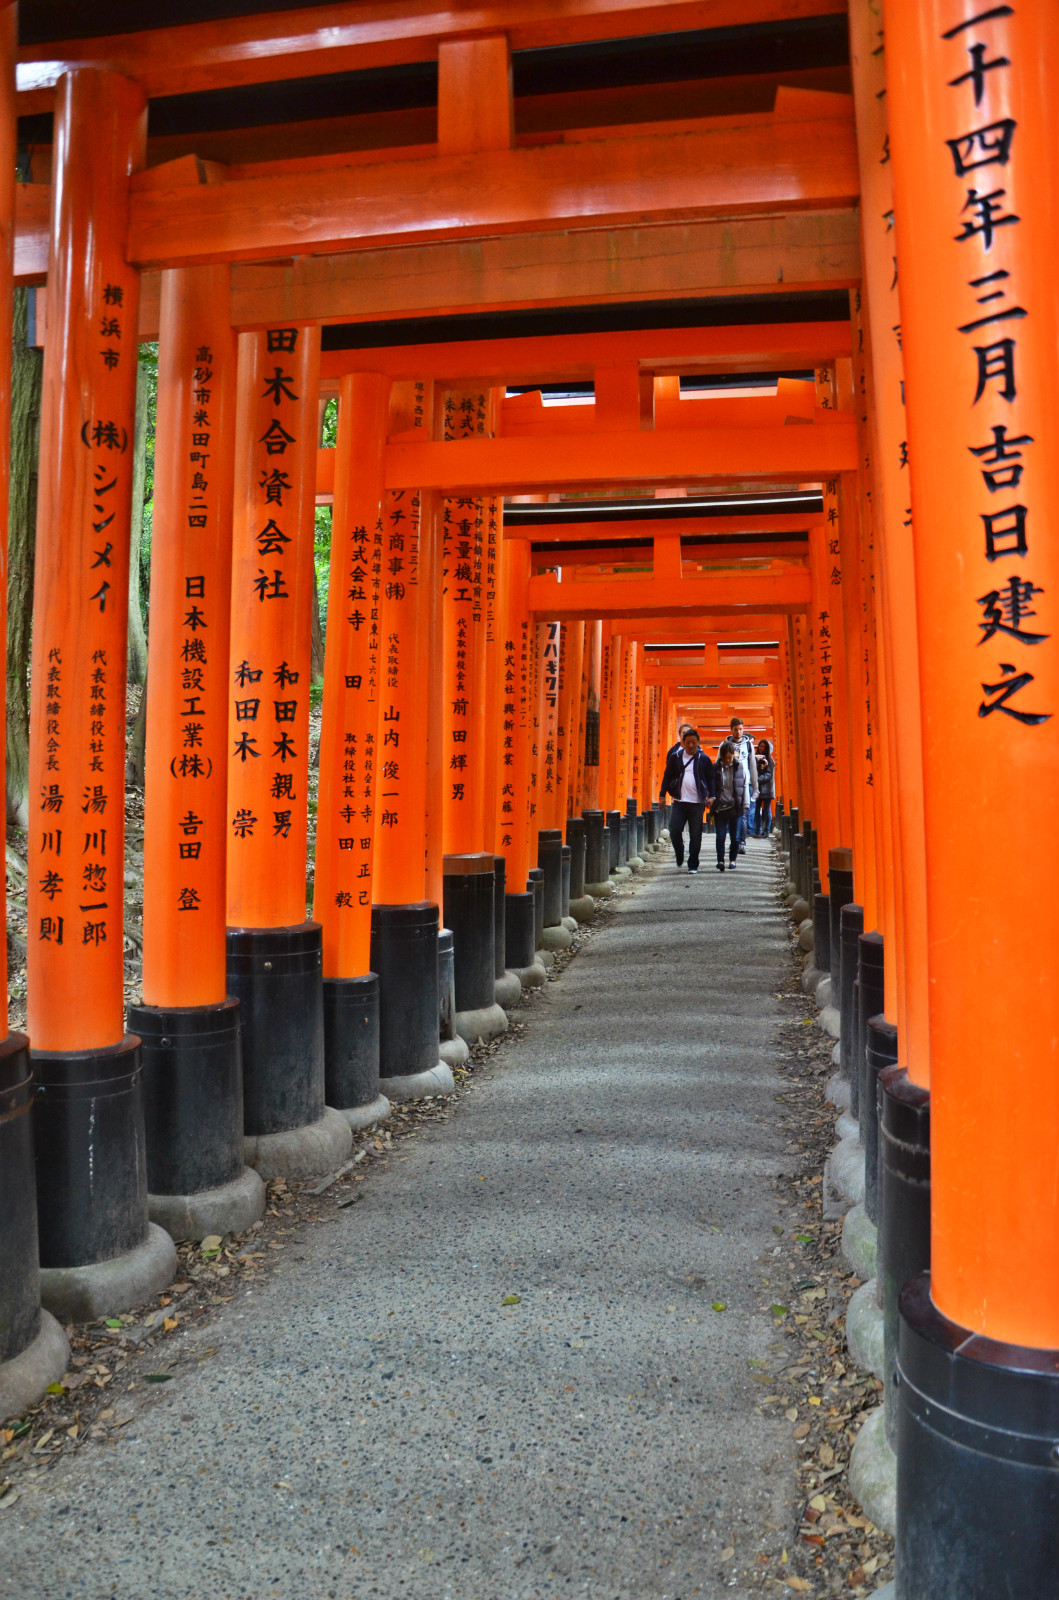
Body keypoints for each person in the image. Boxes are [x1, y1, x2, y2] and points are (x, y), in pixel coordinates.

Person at [659, 726, 715, 874]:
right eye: (688, 742)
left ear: (698, 743)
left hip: (697, 803)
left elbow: (711, 779)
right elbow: (667, 776)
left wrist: (712, 796)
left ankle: (693, 864)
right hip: (679, 801)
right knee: (674, 830)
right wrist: (662, 795)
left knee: (696, 835)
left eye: (694, 742)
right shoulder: (675, 757)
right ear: (683, 742)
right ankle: (679, 851)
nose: (691, 745)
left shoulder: (704, 759)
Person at [718, 717, 758, 851]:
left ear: (743, 729)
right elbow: (718, 764)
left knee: (743, 813)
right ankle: (734, 841)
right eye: (735, 729)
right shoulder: (724, 745)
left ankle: (741, 842)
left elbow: (752, 765)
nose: (738, 732)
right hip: (728, 784)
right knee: (730, 813)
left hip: (744, 783)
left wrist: (755, 786)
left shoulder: (748, 745)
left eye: (740, 729)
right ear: (731, 730)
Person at [712, 739, 750, 871]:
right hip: (720, 806)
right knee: (720, 835)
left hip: (735, 806)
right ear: (721, 756)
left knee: (735, 837)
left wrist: (746, 803)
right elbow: (712, 786)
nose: (728, 760)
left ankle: (732, 859)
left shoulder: (739, 767)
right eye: (726, 757)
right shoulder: (716, 768)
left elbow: (744, 786)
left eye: (730, 757)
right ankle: (720, 860)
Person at [753, 739, 775, 837]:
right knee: (756, 810)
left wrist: (756, 779)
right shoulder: (756, 758)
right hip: (758, 789)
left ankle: (766, 830)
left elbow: (769, 775)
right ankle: (758, 830)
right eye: (760, 746)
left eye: (764, 747)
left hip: (767, 788)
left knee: (766, 810)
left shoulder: (770, 760)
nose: (762, 748)